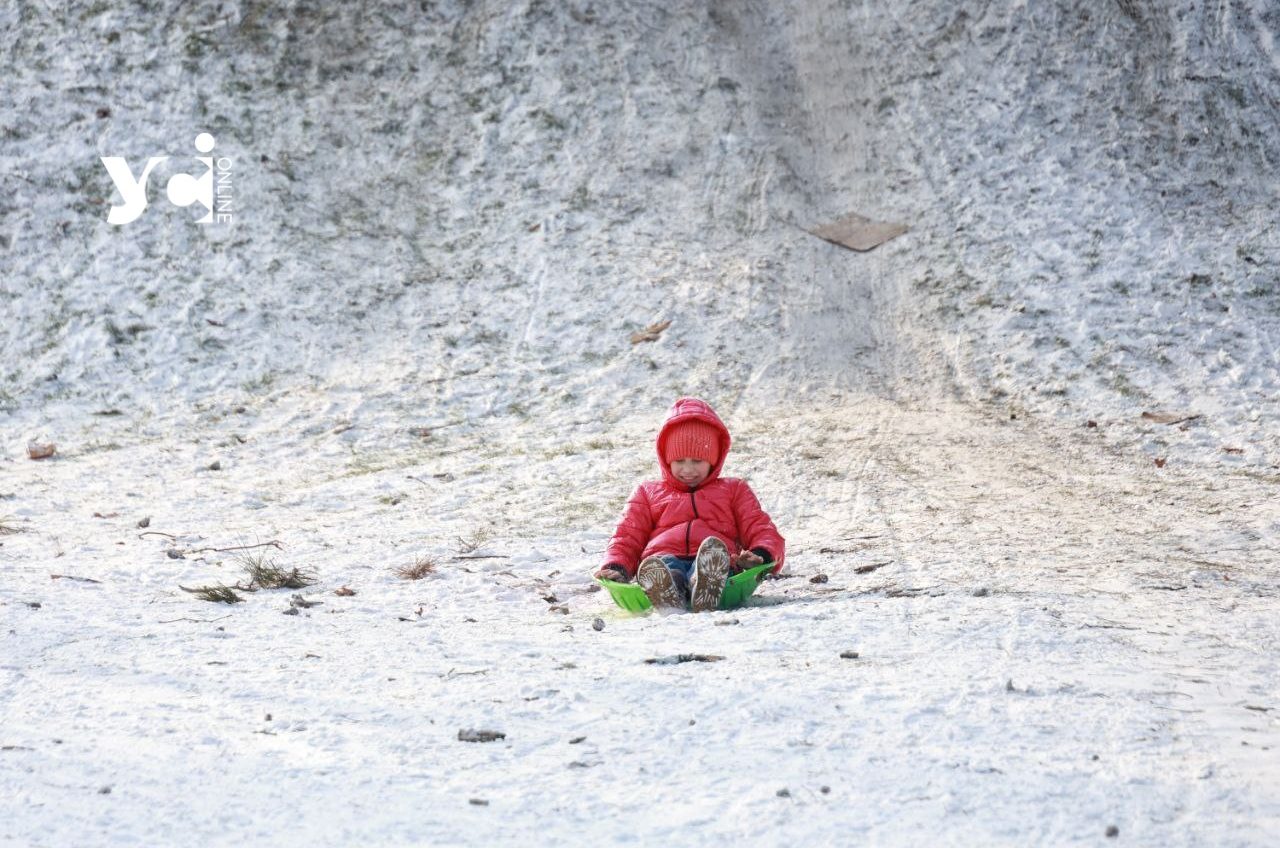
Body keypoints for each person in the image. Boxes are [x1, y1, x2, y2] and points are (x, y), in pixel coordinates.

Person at [594, 396, 785, 612]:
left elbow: (760, 528)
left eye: (697, 461)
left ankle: (702, 584)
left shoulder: (734, 490)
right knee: (663, 567)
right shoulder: (648, 493)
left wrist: (761, 555)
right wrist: (615, 567)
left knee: (713, 558)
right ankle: (668, 590)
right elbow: (626, 537)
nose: (688, 470)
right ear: (667, 460)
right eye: (679, 461)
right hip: (663, 558)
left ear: (713, 460)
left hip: (716, 562)